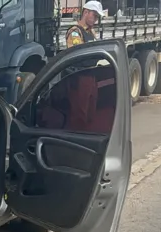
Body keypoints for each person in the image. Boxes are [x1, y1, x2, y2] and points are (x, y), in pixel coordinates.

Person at [64, 1, 106, 133]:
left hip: (91, 75)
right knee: (79, 113)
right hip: (79, 77)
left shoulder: (91, 32)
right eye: (94, 15)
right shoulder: (75, 32)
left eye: (97, 17)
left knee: (91, 110)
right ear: (86, 12)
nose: (96, 19)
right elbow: (79, 56)